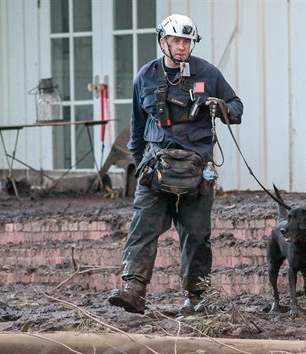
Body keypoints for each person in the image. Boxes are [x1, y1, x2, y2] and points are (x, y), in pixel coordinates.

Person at [108, 14, 243, 314]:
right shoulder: (145, 76)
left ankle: (196, 297)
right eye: (176, 41)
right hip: (155, 167)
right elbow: (136, 126)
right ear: (162, 42)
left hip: (196, 171)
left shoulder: (208, 73)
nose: (182, 47)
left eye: (187, 41)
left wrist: (220, 106)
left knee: (196, 235)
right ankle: (134, 290)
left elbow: (237, 107)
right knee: (142, 228)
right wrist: (139, 163)